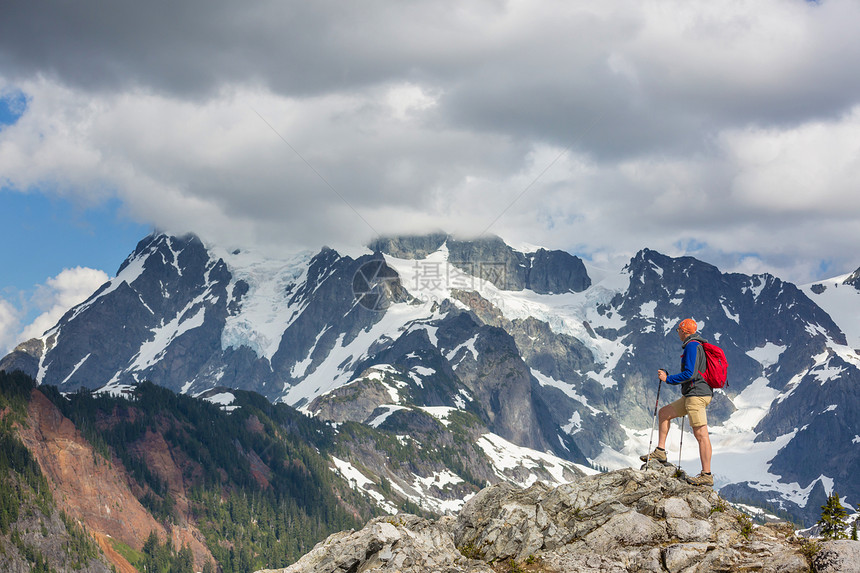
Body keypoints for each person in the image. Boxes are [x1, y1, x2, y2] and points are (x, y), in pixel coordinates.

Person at [640, 318, 714, 486]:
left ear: (685, 331)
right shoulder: (698, 345)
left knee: (701, 434)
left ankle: (707, 475)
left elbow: (689, 373)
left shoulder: (691, 346)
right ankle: (660, 451)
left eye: (679, 330)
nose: (678, 333)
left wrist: (668, 379)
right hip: (692, 395)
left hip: (695, 396)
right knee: (664, 413)